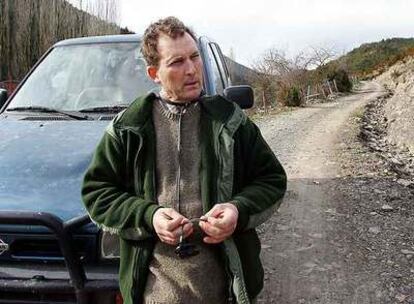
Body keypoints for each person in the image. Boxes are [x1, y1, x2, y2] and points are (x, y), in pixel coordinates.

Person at [82, 16, 287, 304]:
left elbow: (271, 179)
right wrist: (149, 216)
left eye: (194, 57)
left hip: (225, 287)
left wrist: (237, 210)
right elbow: (97, 192)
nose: (191, 70)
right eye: (177, 62)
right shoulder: (128, 128)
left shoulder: (229, 122)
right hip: (154, 288)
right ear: (154, 72)